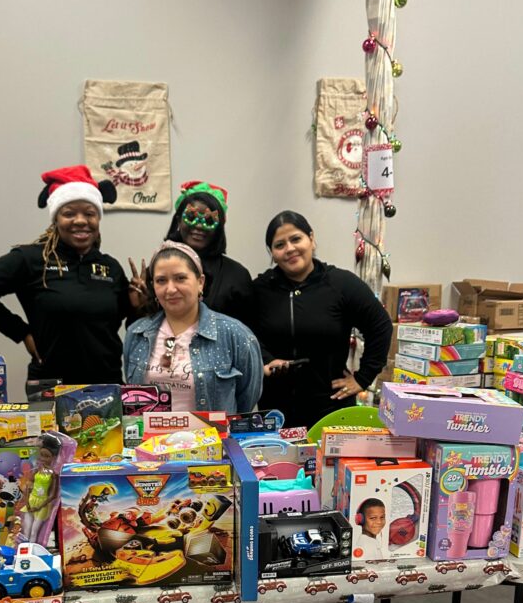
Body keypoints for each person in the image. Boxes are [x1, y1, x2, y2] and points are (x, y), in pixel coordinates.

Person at [0, 165, 147, 391]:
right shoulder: (31, 259)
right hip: (50, 386)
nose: (81, 221)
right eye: (69, 214)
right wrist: (22, 332)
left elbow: (122, 326)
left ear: (98, 218)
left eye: (89, 213)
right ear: (56, 219)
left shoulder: (110, 267)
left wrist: (138, 307)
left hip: (106, 383)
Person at [251, 211, 392, 429]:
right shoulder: (259, 290)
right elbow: (245, 335)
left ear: (311, 239)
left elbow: (380, 325)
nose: (290, 248)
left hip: (330, 408)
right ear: (272, 252)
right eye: (280, 245)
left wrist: (363, 378)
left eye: (296, 239)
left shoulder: (341, 283)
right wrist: (265, 360)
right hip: (276, 411)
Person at [124, 241, 262, 415]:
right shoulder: (136, 333)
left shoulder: (235, 334)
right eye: (161, 280)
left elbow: (246, 399)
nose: (170, 289)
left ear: (200, 282)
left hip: (212, 434)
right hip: (150, 433)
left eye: (180, 278)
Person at [164, 181, 252, 321]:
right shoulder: (160, 268)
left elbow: (247, 330)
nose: (199, 226)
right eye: (191, 217)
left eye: (209, 221)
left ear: (219, 227)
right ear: (179, 220)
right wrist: (140, 307)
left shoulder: (237, 275)